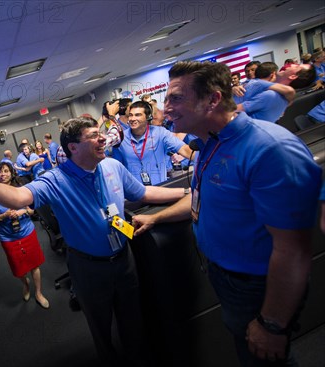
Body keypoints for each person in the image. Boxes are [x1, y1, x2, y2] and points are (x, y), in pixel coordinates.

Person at [0, 117, 189, 366]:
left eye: (100, 132)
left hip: (125, 260)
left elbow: (144, 193)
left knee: (133, 322)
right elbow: (19, 197)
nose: (102, 137)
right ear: (73, 147)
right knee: (102, 328)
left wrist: (186, 191)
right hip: (89, 268)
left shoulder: (112, 166)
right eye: (93, 135)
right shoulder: (55, 180)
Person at [132, 61, 322, 367]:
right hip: (226, 277)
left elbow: (293, 251)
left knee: (266, 355)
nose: (165, 108)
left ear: (213, 99)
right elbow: (201, 198)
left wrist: (272, 323)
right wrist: (156, 218)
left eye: (176, 98)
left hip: (259, 285)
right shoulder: (211, 142)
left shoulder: (269, 149)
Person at [0, 162, 49, 308]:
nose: (3, 174)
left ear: (11, 173)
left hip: (27, 231)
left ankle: (38, 293)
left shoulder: (21, 189)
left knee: (34, 265)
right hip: (8, 237)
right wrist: (4, 215)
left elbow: (32, 211)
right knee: (19, 268)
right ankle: (26, 285)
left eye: (6, 171)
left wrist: (23, 211)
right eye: (0, 172)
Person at [112, 101, 194, 186]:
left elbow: (184, 149)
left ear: (148, 117)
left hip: (161, 189)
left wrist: (204, 160)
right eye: (131, 115)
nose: (132, 119)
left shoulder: (160, 133)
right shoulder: (121, 138)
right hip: (136, 194)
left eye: (137, 115)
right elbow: (117, 168)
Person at [236, 62, 316, 122]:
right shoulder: (279, 93)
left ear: (293, 76)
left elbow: (232, 110)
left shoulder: (271, 95)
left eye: (297, 66)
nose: (292, 64)